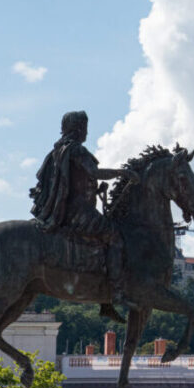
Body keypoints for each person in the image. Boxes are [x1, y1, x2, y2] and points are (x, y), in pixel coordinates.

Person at [30, 110, 136, 323]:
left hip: (66, 210)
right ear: (78, 128)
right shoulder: (76, 150)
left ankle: (104, 298)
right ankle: (115, 293)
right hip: (79, 213)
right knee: (115, 236)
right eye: (85, 127)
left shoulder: (57, 151)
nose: (87, 131)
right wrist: (123, 173)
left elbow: (73, 182)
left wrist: (94, 192)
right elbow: (95, 173)